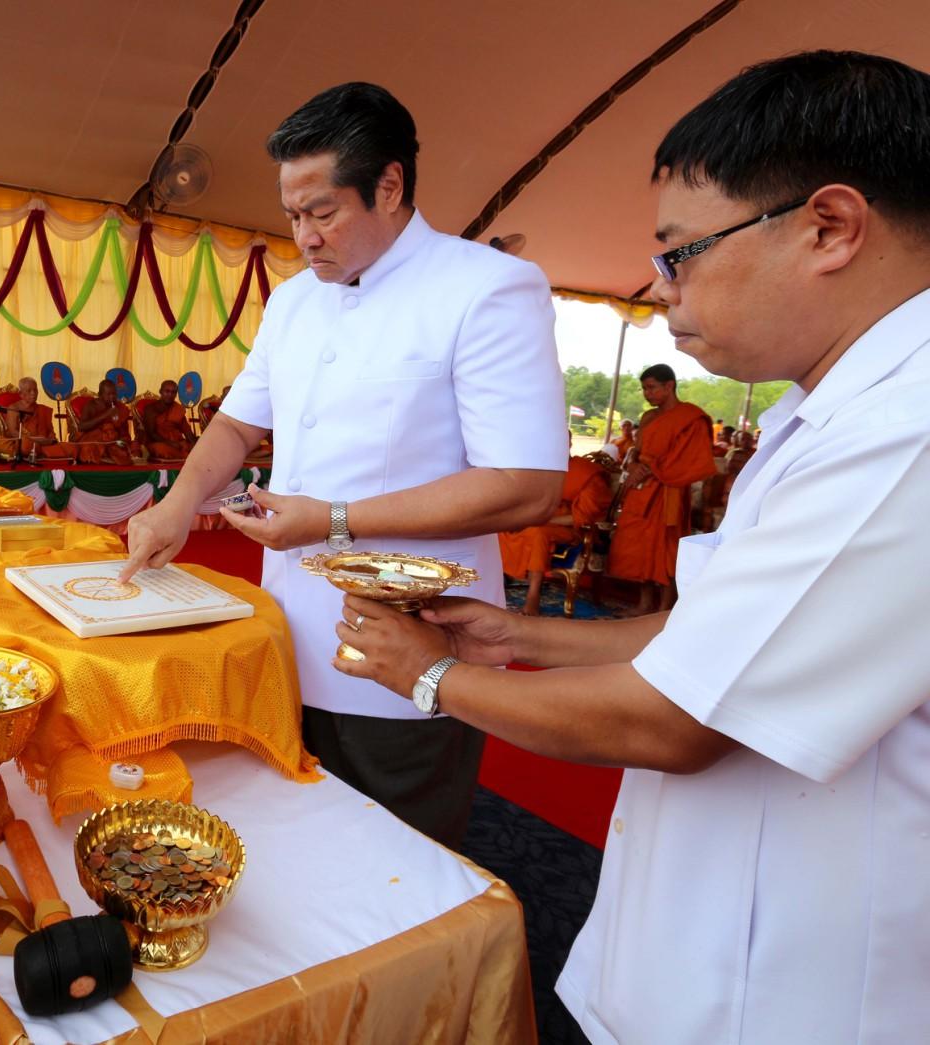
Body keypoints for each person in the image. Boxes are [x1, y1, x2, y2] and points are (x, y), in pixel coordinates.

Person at [335, 50, 930, 1043]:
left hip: (793, 996)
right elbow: (715, 632)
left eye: (679, 253)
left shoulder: (906, 427)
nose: (660, 290)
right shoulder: (829, 411)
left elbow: (674, 719)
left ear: (828, 227)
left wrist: (430, 676)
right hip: (704, 943)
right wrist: (513, 633)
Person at [121, 82, 566, 847]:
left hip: (407, 641)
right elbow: (236, 422)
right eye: (292, 215)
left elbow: (523, 485)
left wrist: (332, 520)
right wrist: (175, 502)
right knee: (290, 835)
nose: (303, 236)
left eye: (321, 212)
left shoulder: (484, 289)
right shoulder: (293, 302)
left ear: (388, 187)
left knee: (399, 853)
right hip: (284, 633)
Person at [607, 363, 716, 613]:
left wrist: (652, 468)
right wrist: (634, 464)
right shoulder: (648, 417)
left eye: (652, 388)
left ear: (669, 386)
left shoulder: (690, 418)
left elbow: (691, 460)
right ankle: (644, 603)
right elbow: (636, 452)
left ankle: (665, 607)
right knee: (642, 547)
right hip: (642, 489)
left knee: (667, 548)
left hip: (670, 491)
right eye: (644, 389)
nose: (647, 394)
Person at [499, 447, 612, 615]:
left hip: (571, 530)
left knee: (538, 533)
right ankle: (496, 582)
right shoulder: (544, 470)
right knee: (501, 527)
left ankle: (533, 595)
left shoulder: (587, 474)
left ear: (568, 443)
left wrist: (544, 520)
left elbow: (583, 517)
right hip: (540, 521)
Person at [0, 377, 71, 460]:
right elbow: (14, 433)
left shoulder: (42, 409)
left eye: (35, 390)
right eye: (29, 390)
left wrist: (51, 439)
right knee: (26, 446)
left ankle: (45, 452)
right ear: (21, 394)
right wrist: (36, 440)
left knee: (71, 448)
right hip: (24, 443)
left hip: (44, 444)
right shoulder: (14, 408)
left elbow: (50, 431)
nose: (33, 393)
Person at [73, 378, 138, 465]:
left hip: (113, 440)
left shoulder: (120, 407)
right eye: (108, 394)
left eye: (114, 394)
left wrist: (122, 439)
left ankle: (108, 458)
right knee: (88, 448)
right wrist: (105, 415)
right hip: (94, 438)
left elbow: (123, 431)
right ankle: (105, 458)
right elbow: (81, 427)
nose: (112, 397)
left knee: (132, 447)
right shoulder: (91, 405)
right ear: (100, 395)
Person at [139, 379, 196, 459]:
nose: (170, 395)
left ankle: (186, 455)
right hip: (158, 443)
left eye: (173, 392)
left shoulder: (178, 409)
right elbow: (151, 434)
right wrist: (170, 443)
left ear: (176, 394)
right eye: (167, 391)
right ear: (160, 391)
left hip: (178, 443)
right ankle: (185, 456)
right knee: (160, 449)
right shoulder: (151, 409)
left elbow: (187, 431)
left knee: (194, 447)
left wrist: (196, 445)